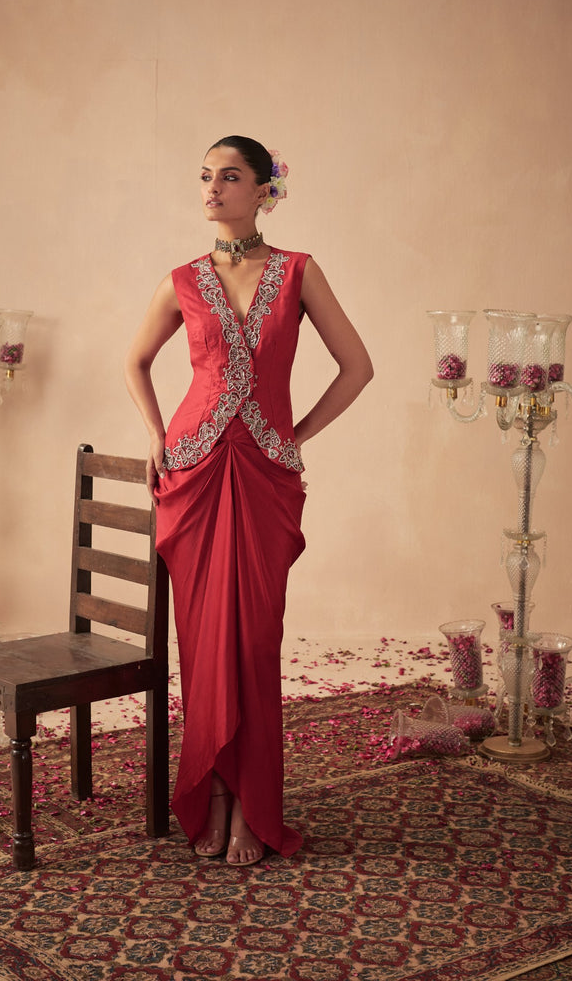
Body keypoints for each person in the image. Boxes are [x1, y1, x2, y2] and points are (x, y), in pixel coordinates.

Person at [124, 135, 373, 866]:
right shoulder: (182, 279)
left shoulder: (298, 272)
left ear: (265, 189)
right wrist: (157, 436)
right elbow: (135, 361)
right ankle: (213, 794)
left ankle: (253, 804)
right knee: (203, 645)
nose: (212, 188)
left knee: (256, 642)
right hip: (194, 474)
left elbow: (357, 367)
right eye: (205, 176)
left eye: (229, 177)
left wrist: (296, 434)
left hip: (264, 474)